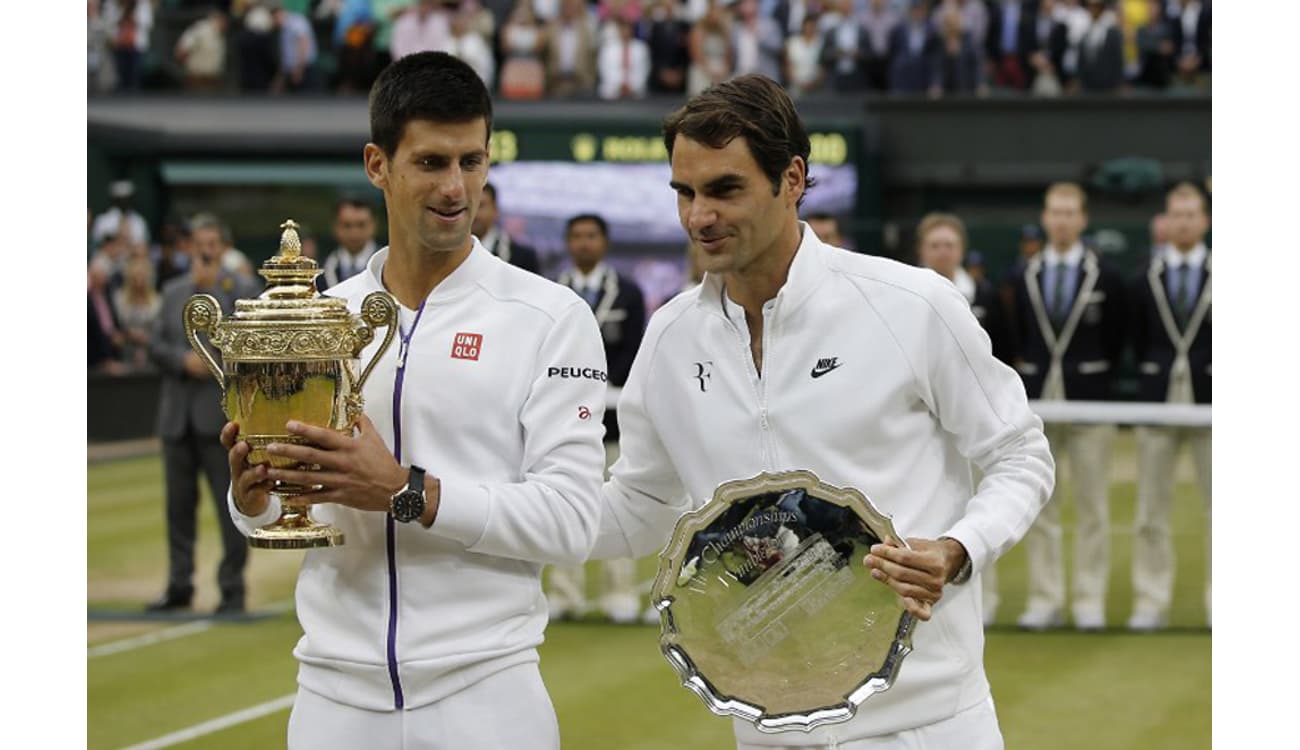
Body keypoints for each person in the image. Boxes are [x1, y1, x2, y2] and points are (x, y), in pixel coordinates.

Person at [593, 74, 1054, 749]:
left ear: (792, 179)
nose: (699, 216)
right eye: (685, 193)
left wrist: (959, 549)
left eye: (725, 189)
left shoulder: (911, 304)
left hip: (925, 726)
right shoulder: (668, 337)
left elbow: (1019, 454)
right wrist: (438, 498)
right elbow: (638, 505)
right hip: (766, 728)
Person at [222, 52, 607, 748]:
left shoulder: (550, 317)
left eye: (472, 161)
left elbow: (573, 521)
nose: (457, 188)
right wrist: (254, 500)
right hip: (332, 701)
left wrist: (407, 491)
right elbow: (282, 514)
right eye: (432, 163)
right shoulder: (319, 319)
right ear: (378, 165)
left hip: (487, 697)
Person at [1008, 182, 1125, 632]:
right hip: (1039, 404)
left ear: (1082, 219)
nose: (1061, 220)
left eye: (1069, 212)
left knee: (1093, 506)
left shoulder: (1107, 276)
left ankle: (1089, 600)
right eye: (1054, 212)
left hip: (1090, 400)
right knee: (1041, 506)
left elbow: (1115, 338)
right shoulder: (1022, 275)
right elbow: (1015, 336)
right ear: (1045, 216)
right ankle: (1045, 598)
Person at [147, 216, 259, 615]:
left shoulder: (240, 288)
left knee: (228, 505)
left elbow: (251, 342)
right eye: (199, 242)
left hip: (221, 419)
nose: (205, 249)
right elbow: (155, 345)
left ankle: (232, 589)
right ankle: (179, 585)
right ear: (189, 246)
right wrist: (180, 359)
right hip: (176, 415)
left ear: (223, 245)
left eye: (212, 242)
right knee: (178, 508)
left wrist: (213, 289)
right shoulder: (174, 290)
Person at [549, 214, 647, 623]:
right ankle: (564, 592)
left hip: (615, 415)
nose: (584, 243)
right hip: (563, 418)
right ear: (568, 243)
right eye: (577, 237)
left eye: (591, 236)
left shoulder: (627, 291)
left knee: (615, 502)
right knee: (563, 500)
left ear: (604, 243)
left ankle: (618, 592)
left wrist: (598, 382)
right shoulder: (554, 291)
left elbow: (634, 350)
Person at [1126, 182, 1211, 631]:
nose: (1183, 221)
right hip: (1158, 402)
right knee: (1150, 511)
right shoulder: (1145, 276)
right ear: (1166, 220)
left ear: (1205, 220)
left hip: (1213, 404)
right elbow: (1139, 340)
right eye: (1176, 213)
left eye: (1191, 214)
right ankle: (1150, 601)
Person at [472, 182, 541, 274]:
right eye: (470, 206)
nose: (475, 214)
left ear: (495, 210)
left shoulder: (522, 257)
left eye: (481, 206)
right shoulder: (450, 254)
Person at [318, 197, 379, 290]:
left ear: (373, 225)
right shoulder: (322, 271)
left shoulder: (388, 265)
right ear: (335, 227)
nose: (354, 233)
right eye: (347, 225)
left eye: (361, 225)